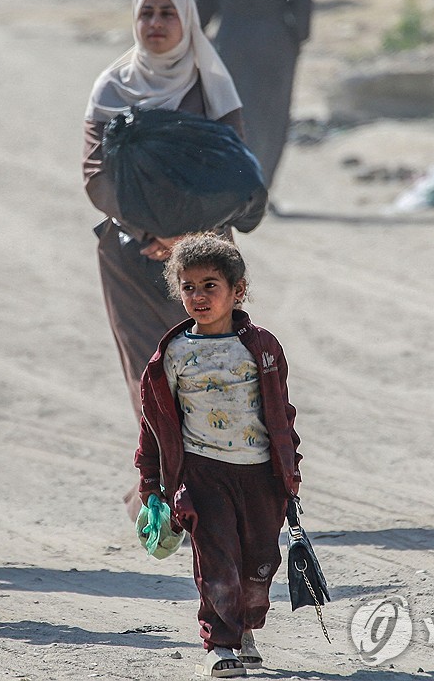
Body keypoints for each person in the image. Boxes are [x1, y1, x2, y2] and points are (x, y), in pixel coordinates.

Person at [83, 0, 264, 518]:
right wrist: (150, 233)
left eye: (168, 14)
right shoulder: (112, 87)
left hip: (206, 262)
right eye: (147, 14)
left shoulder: (211, 87)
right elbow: (96, 174)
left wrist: (190, 238)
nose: (156, 24)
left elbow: (236, 175)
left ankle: (219, 488)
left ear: (188, 21)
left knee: (214, 365)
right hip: (131, 258)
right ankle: (159, 487)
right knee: (151, 372)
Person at [135, 233, 301, 678]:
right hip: (203, 473)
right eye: (188, 287)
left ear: (237, 291)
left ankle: (245, 627)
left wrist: (289, 473)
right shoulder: (172, 355)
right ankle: (220, 643)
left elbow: (282, 414)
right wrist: (151, 483)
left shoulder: (262, 348)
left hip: (260, 474)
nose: (199, 296)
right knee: (217, 559)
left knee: (259, 563)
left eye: (211, 285)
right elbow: (155, 424)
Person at [196, 0, 312, 188]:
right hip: (276, 44)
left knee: (231, 113)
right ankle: (262, 185)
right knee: (272, 116)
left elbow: (203, 5)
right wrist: (298, 37)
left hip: (231, 41)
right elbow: (303, 2)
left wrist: (196, 39)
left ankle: (234, 185)